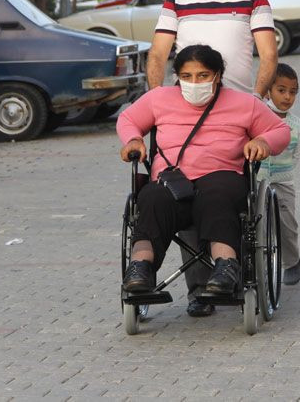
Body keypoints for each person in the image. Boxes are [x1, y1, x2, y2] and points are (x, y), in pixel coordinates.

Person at [146, 0, 279, 317]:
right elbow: (158, 54)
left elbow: (268, 55)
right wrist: (158, 102)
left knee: (225, 191)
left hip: (234, 113)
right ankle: (199, 287)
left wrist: (255, 99)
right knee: (182, 187)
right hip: (186, 107)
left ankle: (234, 270)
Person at [117, 45, 290, 298]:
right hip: (172, 183)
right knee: (151, 198)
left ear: (217, 75)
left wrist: (262, 142)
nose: (194, 83)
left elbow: (280, 130)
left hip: (221, 177)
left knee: (217, 196)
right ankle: (141, 268)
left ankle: (225, 267)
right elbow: (128, 119)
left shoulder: (244, 104)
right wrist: (133, 140)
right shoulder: (158, 99)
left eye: (202, 76)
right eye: (186, 77)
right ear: (177, 76)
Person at [258, 64, 300, 285]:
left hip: (283, 182)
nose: (287, 97)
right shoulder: (259, 115)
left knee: (287, 225)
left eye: (292, 92)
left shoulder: (296, 125)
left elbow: (296, 154)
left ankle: (292, 262)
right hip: (258, 181)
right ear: (268, 91)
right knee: (257, 223)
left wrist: (283, 172)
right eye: (281, 90)